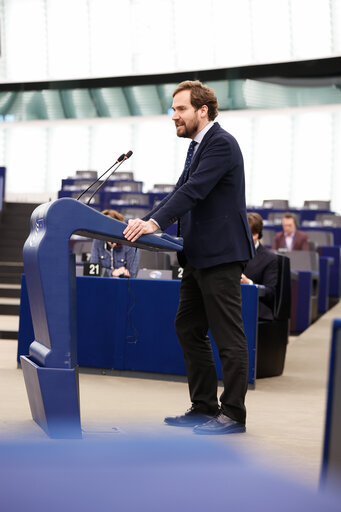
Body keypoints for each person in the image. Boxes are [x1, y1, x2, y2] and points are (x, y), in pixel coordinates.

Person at [123, 80, 254, 435]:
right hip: (197, 256)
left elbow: (194, 192)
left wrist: (154, 222)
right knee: (188, 327)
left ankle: (233, 415)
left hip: (221, 255)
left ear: (203, 110)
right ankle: (203, 406)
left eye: (180, 109)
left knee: (228, 337)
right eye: (173, 109)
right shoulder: (198, 146)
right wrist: (147, 221)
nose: (174, 116)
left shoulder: (221, 144)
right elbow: (180, 191)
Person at [241, 213, 278, 321]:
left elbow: (270, 292)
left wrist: (249, 283)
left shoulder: (269, 258)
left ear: (258, 234)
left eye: (251, 234)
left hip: (255, 307)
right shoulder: (232, 253)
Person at [90, 209, 140, 278]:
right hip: (102, 285)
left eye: (109, 224)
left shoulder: (131, 244)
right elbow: (93, 271)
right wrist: (112, 272)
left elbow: (132, 273)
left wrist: (106, 273)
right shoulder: (97, 241)